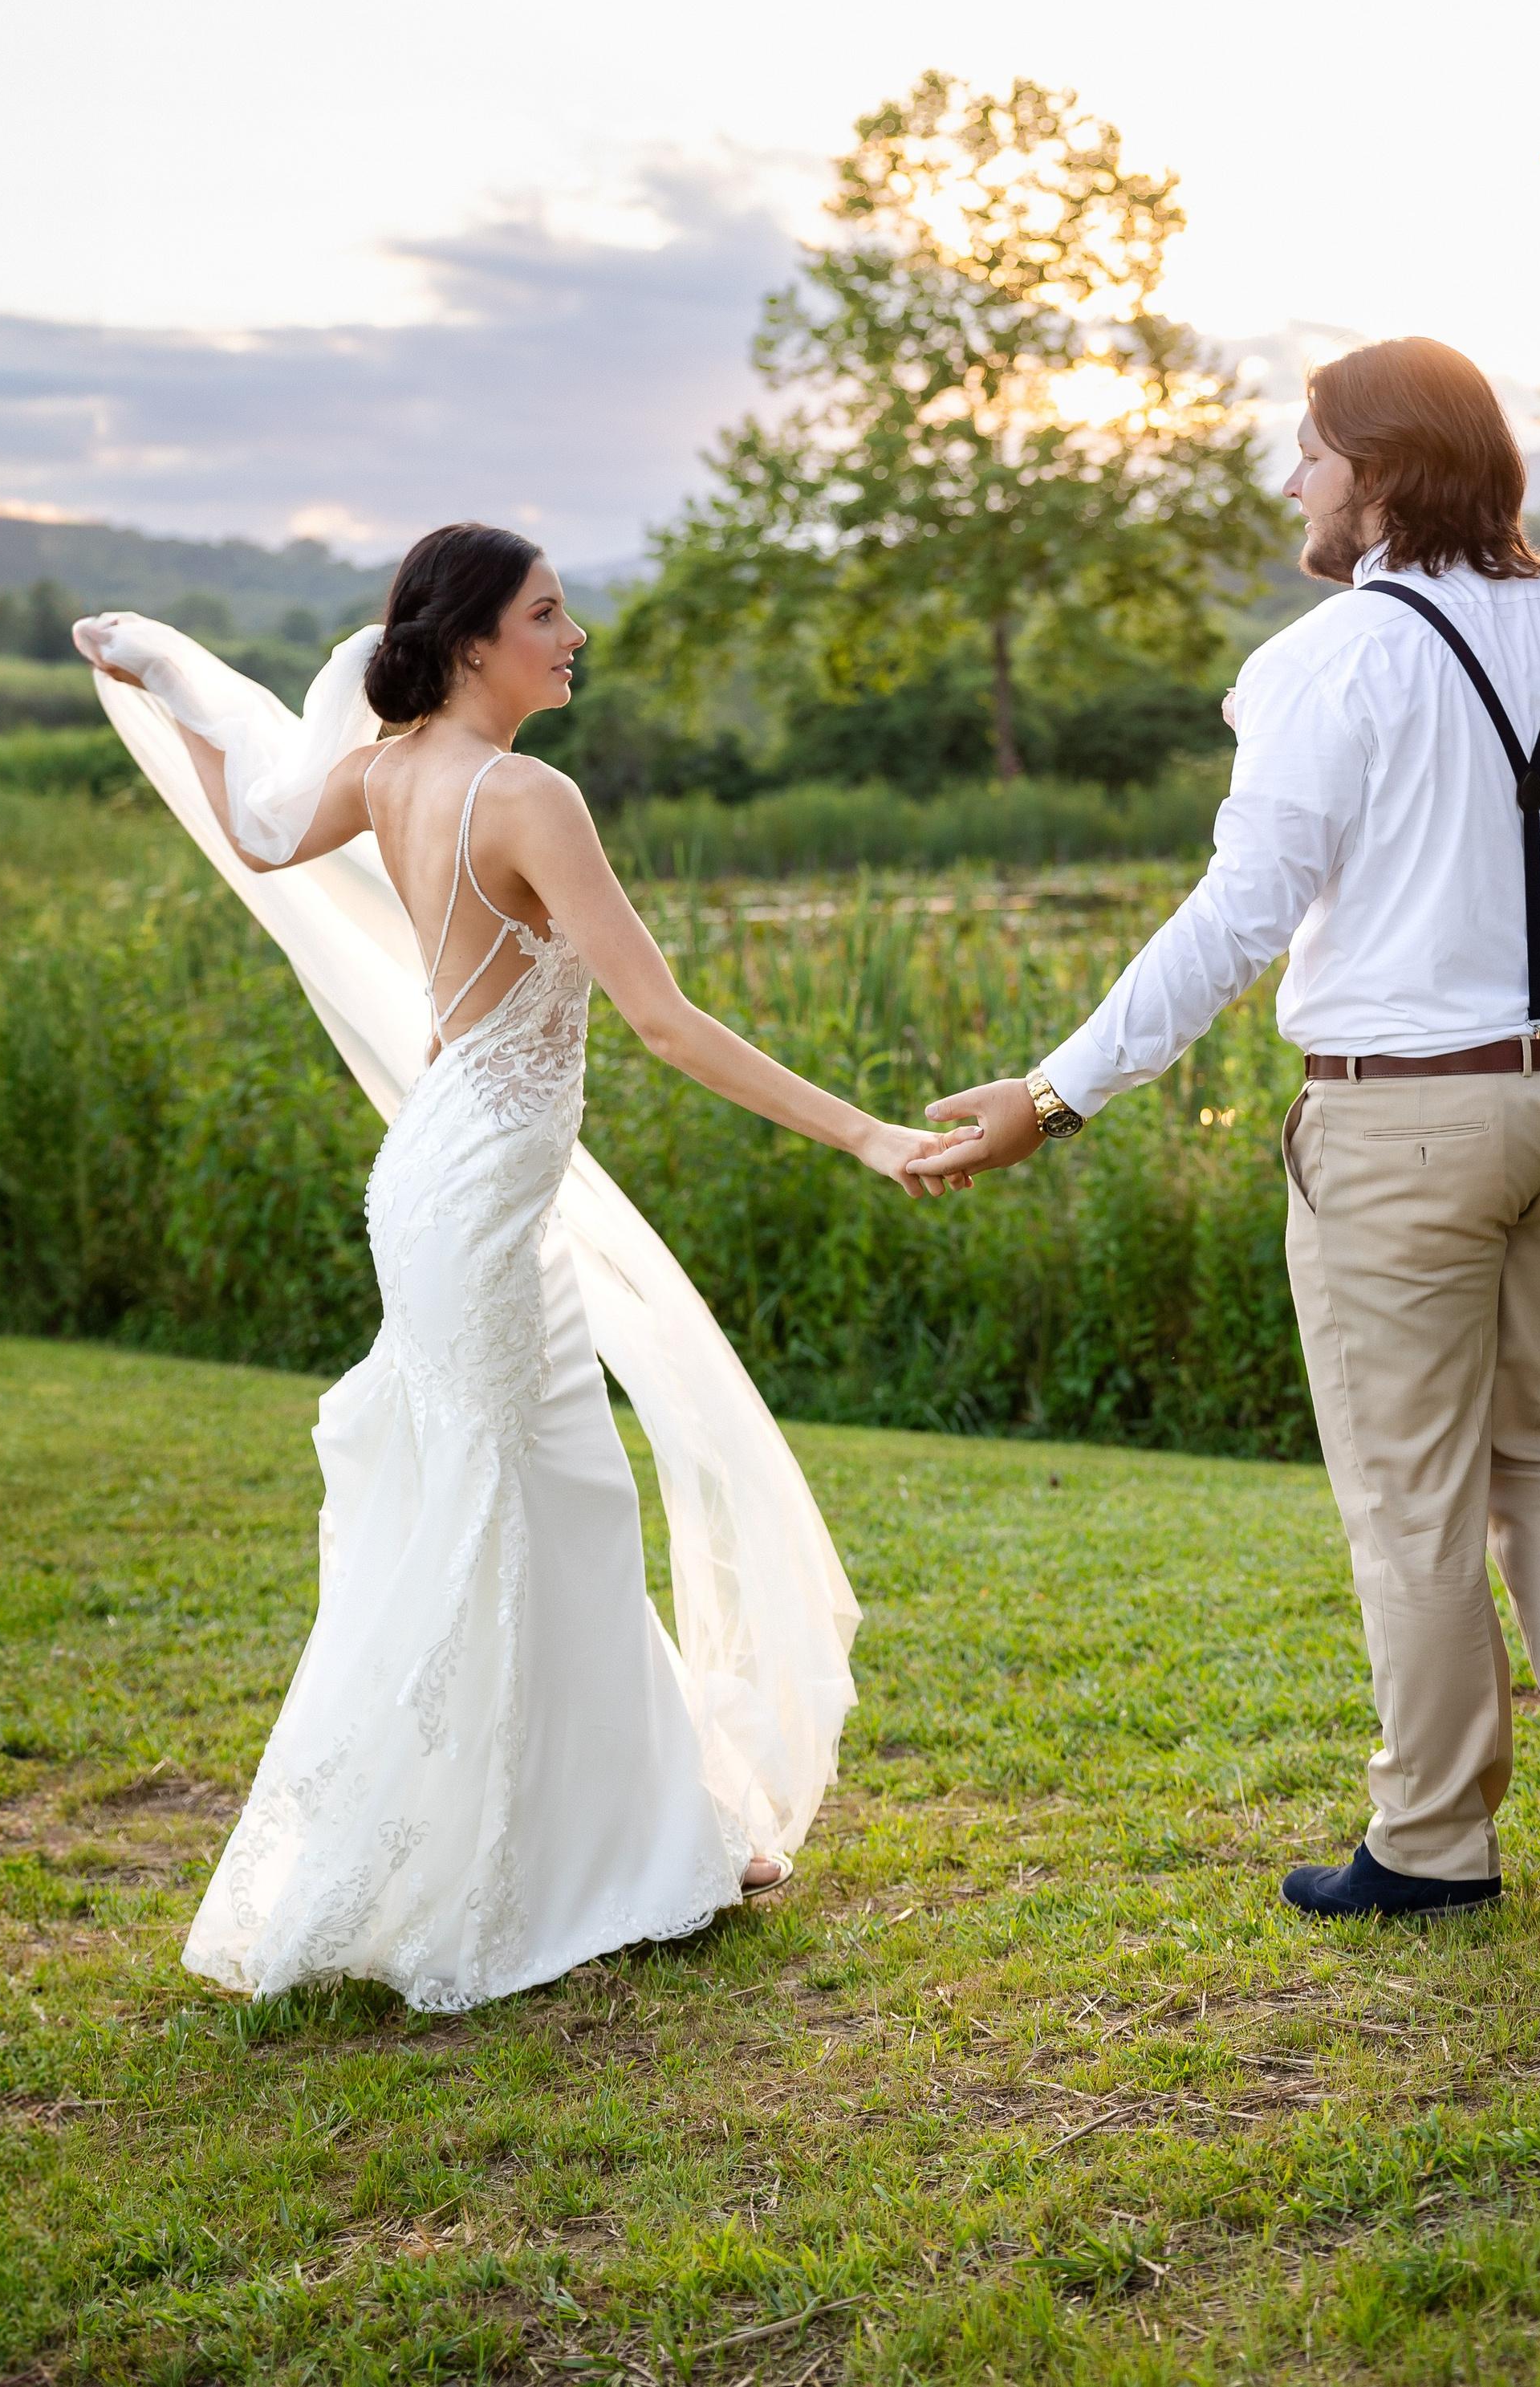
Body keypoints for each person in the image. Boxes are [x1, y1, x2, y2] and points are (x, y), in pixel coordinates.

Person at [75, 523, 961, 2013]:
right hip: (475, 1190)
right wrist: (864, 1131)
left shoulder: (386, 769)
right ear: (475, 639)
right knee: (515, 1501)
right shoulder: (524, 795)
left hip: (440, 1178)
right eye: (549, 613)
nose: (574, 635)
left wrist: (178, 687)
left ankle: (653, 1827)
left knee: (544, 1496)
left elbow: (261, 831)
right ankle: (484, 1856)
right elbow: (669, 1025)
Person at [910, 336, 1540, 1921]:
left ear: (1380, 469)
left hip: (1402, 1121)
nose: (1290, 480)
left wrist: (1056, 1089)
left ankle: (1428, 1841)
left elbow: (1236, 916)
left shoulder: (1326, 657)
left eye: (1306, 451)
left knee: (1410, 1491)